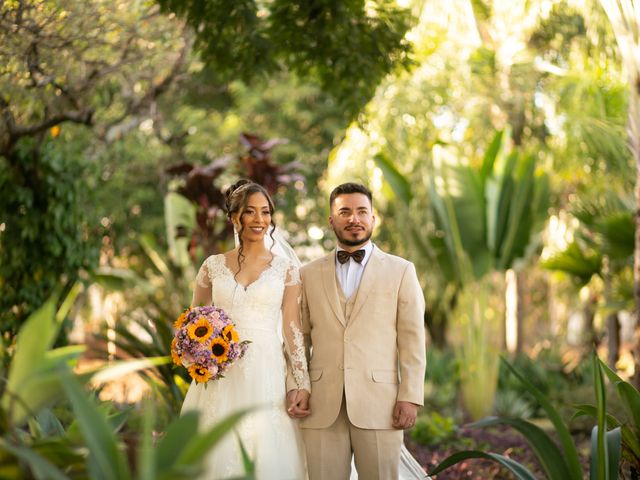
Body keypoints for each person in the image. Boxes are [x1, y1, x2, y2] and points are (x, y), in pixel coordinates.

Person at [289, 182, 426, 480]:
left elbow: (412, 339)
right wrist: (297, 385)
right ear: (331, 220)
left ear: (373, 218)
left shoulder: (401, 271)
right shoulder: (307, 274)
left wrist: (410, 395)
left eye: (362, 211)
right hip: (321, 405)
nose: (354, 219)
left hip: (381, 403)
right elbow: (299, 338)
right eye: (345, 212)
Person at [181, 179, 311, 479]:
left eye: (265, 213)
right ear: (234, 217)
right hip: (220, 374)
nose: (259, 220)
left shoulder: (286, 270)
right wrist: (199, 356)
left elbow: (292, 329)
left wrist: (302, 382)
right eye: (250, 212)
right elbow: (192, 322)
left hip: (267, 373)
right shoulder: (212, 266)